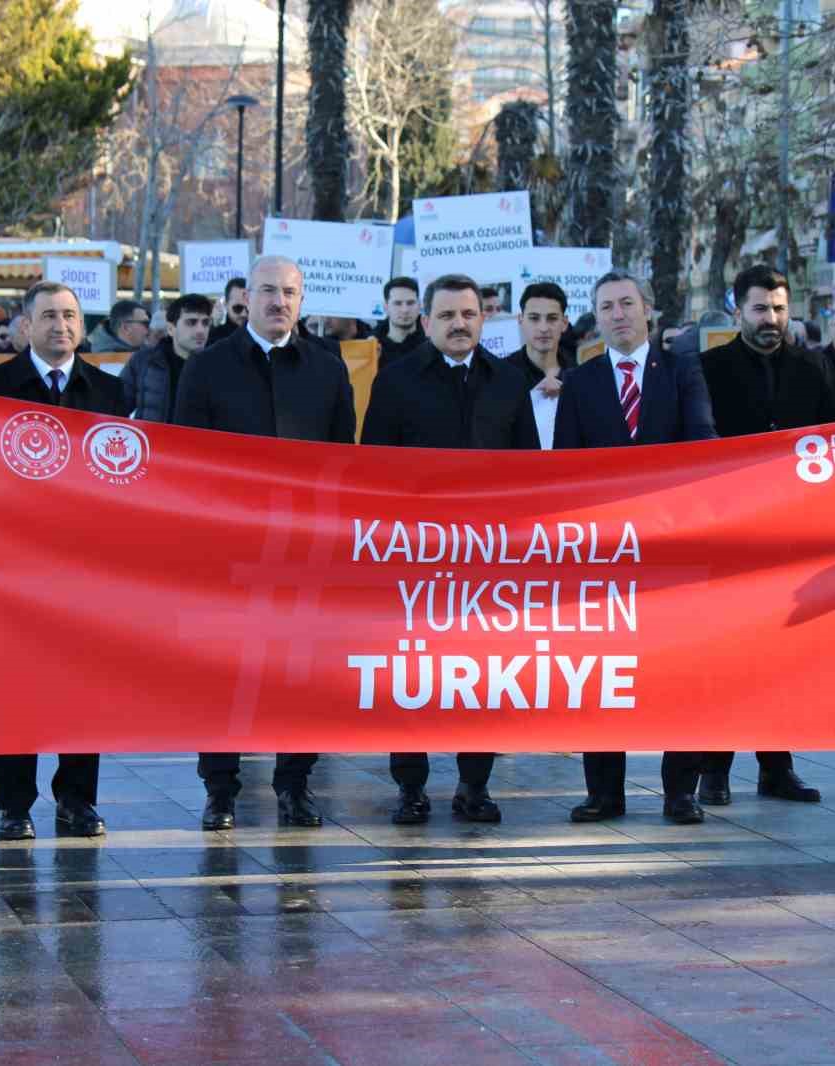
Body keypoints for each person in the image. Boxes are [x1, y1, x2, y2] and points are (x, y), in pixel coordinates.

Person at [174, 255, 356, 831]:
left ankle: (295, 784)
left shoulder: (328, 370)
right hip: (226, 548)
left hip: (304, 549)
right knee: (223, 671)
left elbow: (342, 460)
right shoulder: (207, 368)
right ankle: (221, 789)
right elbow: (188, 459)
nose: (280, 301)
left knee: (297, 671)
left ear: (302, 301)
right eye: (269, 291)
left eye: (290, 292)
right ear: (245, 298)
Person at [362, 274, 538, 824]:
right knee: (412, 675)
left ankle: (473, 785)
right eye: (446, 316)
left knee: (480, 674)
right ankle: (410, 787)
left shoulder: (509, 382)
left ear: (483, 319)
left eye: (468, 314)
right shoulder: (395, 381)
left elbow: (530, 466)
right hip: (415, 555)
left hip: (489, 558)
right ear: (425, 322)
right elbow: (375, 466)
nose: (459, 324)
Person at [553, 273, 717, 825]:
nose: (618, 314)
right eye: (607, 307)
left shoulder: (682, 371)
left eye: (627, 303)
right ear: (596, 318)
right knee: (602, 670)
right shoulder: (580, 382)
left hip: (671, 546)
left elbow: (703, 447)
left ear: (648, 309)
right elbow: (565, 468)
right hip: (603, 550)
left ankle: (680, 791)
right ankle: (604, 792)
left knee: (681, 669)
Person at [0, 281, 127, 841]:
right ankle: (13, 804)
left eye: (70, 316)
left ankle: (78, 798)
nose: (61, 326)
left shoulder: (110, 392)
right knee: (13, 684)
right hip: (13, 566)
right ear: (25, 326)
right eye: (49, 316)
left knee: (84, 684)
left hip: (87, 567)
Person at [697, 265, 835, 808]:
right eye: (760, 309)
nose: (771, 319)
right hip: (727, 536)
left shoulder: (813, 366)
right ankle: (713, 769)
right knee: (726, 657)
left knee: (781, 659)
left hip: (792, 537)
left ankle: (777, 767)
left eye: (780, 308)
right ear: (738, 311)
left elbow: (832, 441)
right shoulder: (708, 369)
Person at [121, 293, 212, 423]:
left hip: (200, 442)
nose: (200, 330)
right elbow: (115, 406)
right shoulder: (144, 361)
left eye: (205, 323)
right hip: (152, 441)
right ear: (170, 329)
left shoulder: (218, 365)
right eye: (191, 322)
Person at [506, 282, 575, 450]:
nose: (543, 328)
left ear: (564, 323)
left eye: (552, 318)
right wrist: (532, 398)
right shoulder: (501, 374)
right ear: (520, 320)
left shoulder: (580, 375)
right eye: (534, 318)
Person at [376, 277, 426, 368]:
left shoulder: (433, 346)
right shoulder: (372, 347)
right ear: (386, 307)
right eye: (397, 303)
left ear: (419, 305)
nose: (405, 310)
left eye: (410, 303)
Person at [207, 277, 250, 345]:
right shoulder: (213, 338)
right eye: (237, 308)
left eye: (248, 308)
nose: (243, 314)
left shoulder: (264, 335)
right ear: (226, 304)